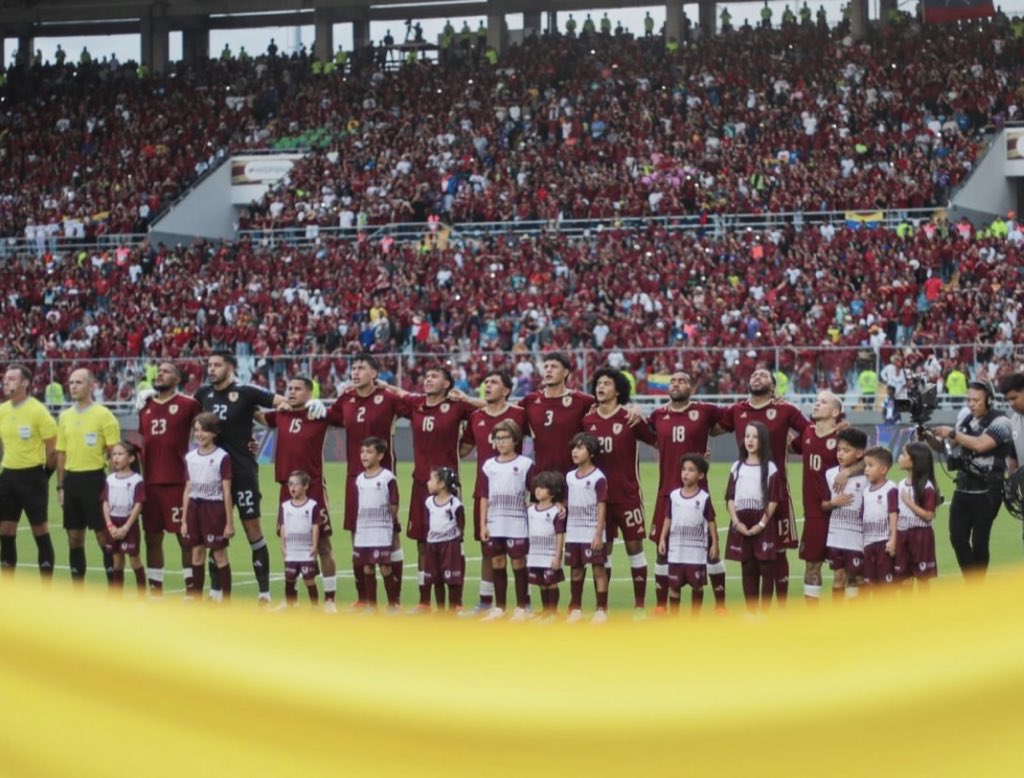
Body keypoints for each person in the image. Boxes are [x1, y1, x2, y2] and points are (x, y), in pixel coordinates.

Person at [194, 351, 291, 603]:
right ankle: (216, 591)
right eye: (210, 364)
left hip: (242, 472)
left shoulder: (247, 392)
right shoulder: (203, 394)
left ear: (230, 367)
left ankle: (264, 593)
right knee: (214, 533)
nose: (212, 369)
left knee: (253, 528)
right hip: (212, 476)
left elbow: (281, 402)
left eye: (217, 365)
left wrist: (292, 406)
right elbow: (185, 410)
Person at [717, 368, 809, 603]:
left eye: (763, 375)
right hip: (745, 494)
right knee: (749, 556)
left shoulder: (785, 409)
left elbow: (809, 431)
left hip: (775, 491)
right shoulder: (737, 410)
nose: (757, 377)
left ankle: (781, 606)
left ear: (773, 385)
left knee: (777, 552)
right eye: (754, 375)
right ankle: (754, 609)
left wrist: (794, 446)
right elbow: (714, 428)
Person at [390, 366, 476, 611]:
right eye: (426, 376)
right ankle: (425, 599)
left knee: (453, 543)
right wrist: (377, 383)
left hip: (448, 487)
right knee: (422, 543)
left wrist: (468, 440)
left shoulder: (458, 406)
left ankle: (456, 602)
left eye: (434, 376)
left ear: (447, 384)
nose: (428, 379)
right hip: (421, 485)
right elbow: (399, 394)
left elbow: (485, 413)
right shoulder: (416, 404)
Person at [325, 354, 404, 607]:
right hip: (354, 478)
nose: (356, 372)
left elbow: (414, 406)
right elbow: (328, 418)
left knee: (390, 534)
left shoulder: (388, 398)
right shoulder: (346, 399)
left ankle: (394, 600)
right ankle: (364, 600)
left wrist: (391, 387)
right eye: (354, 368)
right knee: (356, 533)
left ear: (374, 373)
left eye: (362, 368)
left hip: (383, 477)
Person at [647, 371, 725, 611]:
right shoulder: (658, 415)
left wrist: (706, 444)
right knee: (662, 550)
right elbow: (643, 433)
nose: (676, 383)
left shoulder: (705, 411)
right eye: (672, 380)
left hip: (698, 496)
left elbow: (728, 423)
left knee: (710, 549)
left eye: (682, 380)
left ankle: (721, 606)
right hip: (666, 493)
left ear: (692, 387)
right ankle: (661, 606)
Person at [582, 367, 657, 615]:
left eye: (606, 383)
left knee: (635, 548)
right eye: (598, 383)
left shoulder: (630, 418)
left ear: (618, 389)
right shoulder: (587, 420)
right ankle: (601, 607)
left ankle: (639, 606)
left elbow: (659, 440)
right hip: (597, 500)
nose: (600, 387)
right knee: (602, 552)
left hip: (627, 496)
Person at [260, 376, 339, 610]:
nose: (291, 392)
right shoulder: (281, 415)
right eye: (289, 388)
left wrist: (326, 410)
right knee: (289, 543)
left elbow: (343, 418)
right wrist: (265, 400)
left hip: (313, 487)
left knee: (323, 545)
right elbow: (255, 414)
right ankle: (290, 599)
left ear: (309, 393)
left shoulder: (318, 415)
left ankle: (329, 600)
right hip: (287, 488)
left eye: (297, 389)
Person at [459, 370, 528, 613]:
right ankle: (487, 603)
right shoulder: (476, 417)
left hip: (516, 494)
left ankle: (523, 603)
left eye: (494, 382)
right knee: (488, 550)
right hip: (485, 492)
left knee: (519, 553)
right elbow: (464, 449)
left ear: (506, 390)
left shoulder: (519, 415)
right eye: (485, 382)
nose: (487, 385)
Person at [929, 381, 1013, 576]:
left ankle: (977, 585)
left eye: (976, 400)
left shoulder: (1001, 422)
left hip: (988, 490)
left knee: (980, 540)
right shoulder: (965, 420)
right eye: (969, 400)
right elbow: (945, 447)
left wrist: (952, 432)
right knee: (957, 538)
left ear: (989, 400)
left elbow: (981, 445)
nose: (971, 404)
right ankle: (972, 582)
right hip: (963, 487)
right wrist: (927, 436)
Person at [136, 361, 201, 594]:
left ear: (177, 379)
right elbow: (141, 442)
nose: (160, 374)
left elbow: (209, 429)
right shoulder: (145, 406)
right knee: (152, 538)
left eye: (166, 371)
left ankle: (191, 589)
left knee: (184, 537)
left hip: (178, 481)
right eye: (159, 371)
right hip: (150, 482)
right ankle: (156, 590)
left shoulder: (189, 405)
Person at [56, 368, 121, 583]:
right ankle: (78, 589)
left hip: (95, 481)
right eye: (71, 382)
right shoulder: (64, 416)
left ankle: (114, 587)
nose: (73, 386)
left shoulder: (104, 415)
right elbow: (61, 454)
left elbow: (115, 454)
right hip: (72, 482)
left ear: (91, 385)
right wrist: (61, 487)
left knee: (104, 537)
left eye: (78, 382)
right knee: (74, 539)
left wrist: (116, 486)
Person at [0, 364, 57, 577]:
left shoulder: (37, 411)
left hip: (33, 477)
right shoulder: (2, 411)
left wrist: (43, 476)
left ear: (24, 383)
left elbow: (53, 449)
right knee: (5, 531)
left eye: (12, 379)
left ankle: (46, 589)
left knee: (39, 531)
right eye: (5, 379)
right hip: (8, 477)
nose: (6, 382)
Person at [479, 419, 534, 621]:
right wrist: (482, 524)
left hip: (517, 522)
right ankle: (500, 607)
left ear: (515, 440)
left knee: (519, 562)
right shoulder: (489, 466)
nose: (501, 442)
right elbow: (484, 496)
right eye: (497, 438)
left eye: (505, 438)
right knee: (498, 562)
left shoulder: (525, 464)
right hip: (495, 523)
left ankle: (521, 607)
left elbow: (535, 493)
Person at [791, 391, 842, 603]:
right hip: (814, 515)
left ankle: (842, 620)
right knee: (812, 566)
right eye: (816, 400)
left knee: (843, 570)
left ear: (835, 412)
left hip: (841, 513)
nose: (816, 404)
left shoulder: (843, 436)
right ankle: (813, 621)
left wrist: (847, 471)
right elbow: (786, 445)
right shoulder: (807, 433)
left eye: (823, 402)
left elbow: (864, 460)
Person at [725, 422, 782, 609]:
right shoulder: (737, 467)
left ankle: (764, 612)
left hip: (761, 521)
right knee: (747, 566)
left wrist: (762, 524)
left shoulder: (771, 468)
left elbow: (773, 499)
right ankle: (750, 611)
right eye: (747, 436)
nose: (750, 440)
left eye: (755, 436)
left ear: (762, 440)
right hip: (741, 521)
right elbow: (730, 498)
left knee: (765, 566)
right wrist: (736, 522)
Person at [181, 413, 234, 599]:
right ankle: (196, 597)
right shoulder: (190, 457)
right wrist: (184, 520)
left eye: (204, 430)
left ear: (213, 432)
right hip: (194, 508)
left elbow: (226, 491)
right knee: (196, 553)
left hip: (214, 509)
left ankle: (226, 600)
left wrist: (229, 522)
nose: (200, 434)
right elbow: (187, 489)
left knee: (219, 554)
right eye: (196, 430)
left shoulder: (222, 457)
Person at [659, 454, 717, 615]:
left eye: (691, 470)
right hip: (676, 552)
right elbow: (668, 517)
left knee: (697, 586)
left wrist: (715, 544)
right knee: (674, 586)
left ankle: (694, 619)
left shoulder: (704, 498)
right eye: (684, 469)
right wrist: (663, 538)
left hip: (696, 554)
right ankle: (674, 619)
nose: (685, 473)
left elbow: (711, 521)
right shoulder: (674, 496)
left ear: (700, 475)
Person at [522, 352, 595, 476]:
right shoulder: (530, 400)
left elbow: (609, 407)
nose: (548, 370)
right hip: (541, 477)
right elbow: (504, 409)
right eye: (546, 367)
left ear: (566, 372)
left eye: (554, 366)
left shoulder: (582, 401)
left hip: (572, 477)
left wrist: (634, 408)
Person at [564, 433, 609, 623]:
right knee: (576, 570)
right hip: (574, 532)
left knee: (598, 569)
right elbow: (567, 500)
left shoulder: (599, 478)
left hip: (592, 532)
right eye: (574, 447)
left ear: (590, 453)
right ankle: (575, 607)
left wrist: (598, 534)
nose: (575, 451)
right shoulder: (569, 476)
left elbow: (602, 505)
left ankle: (601, 608)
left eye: (580, 448)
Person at [352, 437, 401, 611]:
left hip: (381, 529)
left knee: (385, 566)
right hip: (364, 530)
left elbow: (394, 502)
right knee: (367, 566)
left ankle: (392, 604)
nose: (364, 455)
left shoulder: (387, 477)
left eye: (369, 452)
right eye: (362, 452)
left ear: (380, 455)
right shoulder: (359, 479)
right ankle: (372, 605)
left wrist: (390, 521)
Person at [823, 429, 868, 600]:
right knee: (838, 577)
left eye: (846, 450)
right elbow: (823, 504)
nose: (840, 454)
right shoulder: (829, 474)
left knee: (857, 578)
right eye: (839, 449)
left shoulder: (866, 476)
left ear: (859, 453)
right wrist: (832, 504)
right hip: (836, 536)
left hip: (857, 537)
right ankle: (838, 619)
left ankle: (857, 618)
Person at [101, 441, 146, 591]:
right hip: (113, 524)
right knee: (117, 562)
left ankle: (141, 597)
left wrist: (126, 528)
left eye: (120, 454)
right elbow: (105, 503)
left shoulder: (136, 480)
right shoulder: (110, 479)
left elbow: (138, 505)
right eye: (114, 454)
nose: (116, 458)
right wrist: (110, 526)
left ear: (131, 458)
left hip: (128, 525)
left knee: (134, 560)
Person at [894, 442, 939, 585]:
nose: (900, 457)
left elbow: (929, 515)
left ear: (914, 461)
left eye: (903, 454)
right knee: (904, 577)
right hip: (902, 534)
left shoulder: (927, 487)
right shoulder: (901, 483)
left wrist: (909, 503)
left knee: (922, 578)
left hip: (920, 536)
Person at [424, 466, 465, 612]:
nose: (428, 482)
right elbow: (427, 521)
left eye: (431, 479)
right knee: (436, 578)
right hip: (433, 545)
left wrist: (457, 540)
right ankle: (441, 610)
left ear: (441, 484)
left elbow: (461, 523)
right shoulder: (429, 502)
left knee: (451, 578)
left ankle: (453, 607)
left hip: (449, 545)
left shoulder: (454, 503)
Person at [527, 471, 566, 621]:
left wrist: (558, 556)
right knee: (541, 584)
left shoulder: (556, 512)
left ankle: (553, 612)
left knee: (551, 583)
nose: (538, 490)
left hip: (549, 554)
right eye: (537, 487)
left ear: (552, 492)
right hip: (535, 554)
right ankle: (545, 611)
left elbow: (559, 534)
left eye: (543, 487)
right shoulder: (531, 510)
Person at [278, 470, 320, 607]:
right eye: (290, 484)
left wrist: (314, 545)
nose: (292, 488)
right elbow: (283, 526)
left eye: (296, 484)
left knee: (309, 580)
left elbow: (315, 526)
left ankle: (315, 607)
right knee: (289, 580)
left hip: (306, 551)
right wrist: (283, 545)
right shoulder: (285, 507)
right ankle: (291, 605)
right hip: (291, 551)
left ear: (305, 486)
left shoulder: (312, 505)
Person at [860, 446, 899, 588]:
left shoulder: (890, 488)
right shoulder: (865, 491)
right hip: (868, 544)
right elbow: (862, 517)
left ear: (883, 470)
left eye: (870, 465)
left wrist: (893, 539)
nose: (866, 469)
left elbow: (893, 514)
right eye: (865, 465)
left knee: (886, 586)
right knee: (871, 585)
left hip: (884, 544)